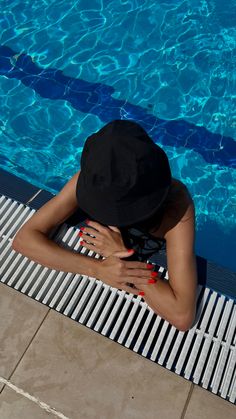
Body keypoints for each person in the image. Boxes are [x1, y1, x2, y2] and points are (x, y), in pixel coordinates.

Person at [12, 120, 197, 331]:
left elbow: (182, 315)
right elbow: (24, 240)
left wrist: (122, 253)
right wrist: (97, 269)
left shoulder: (176, 207)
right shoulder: (94, 179)